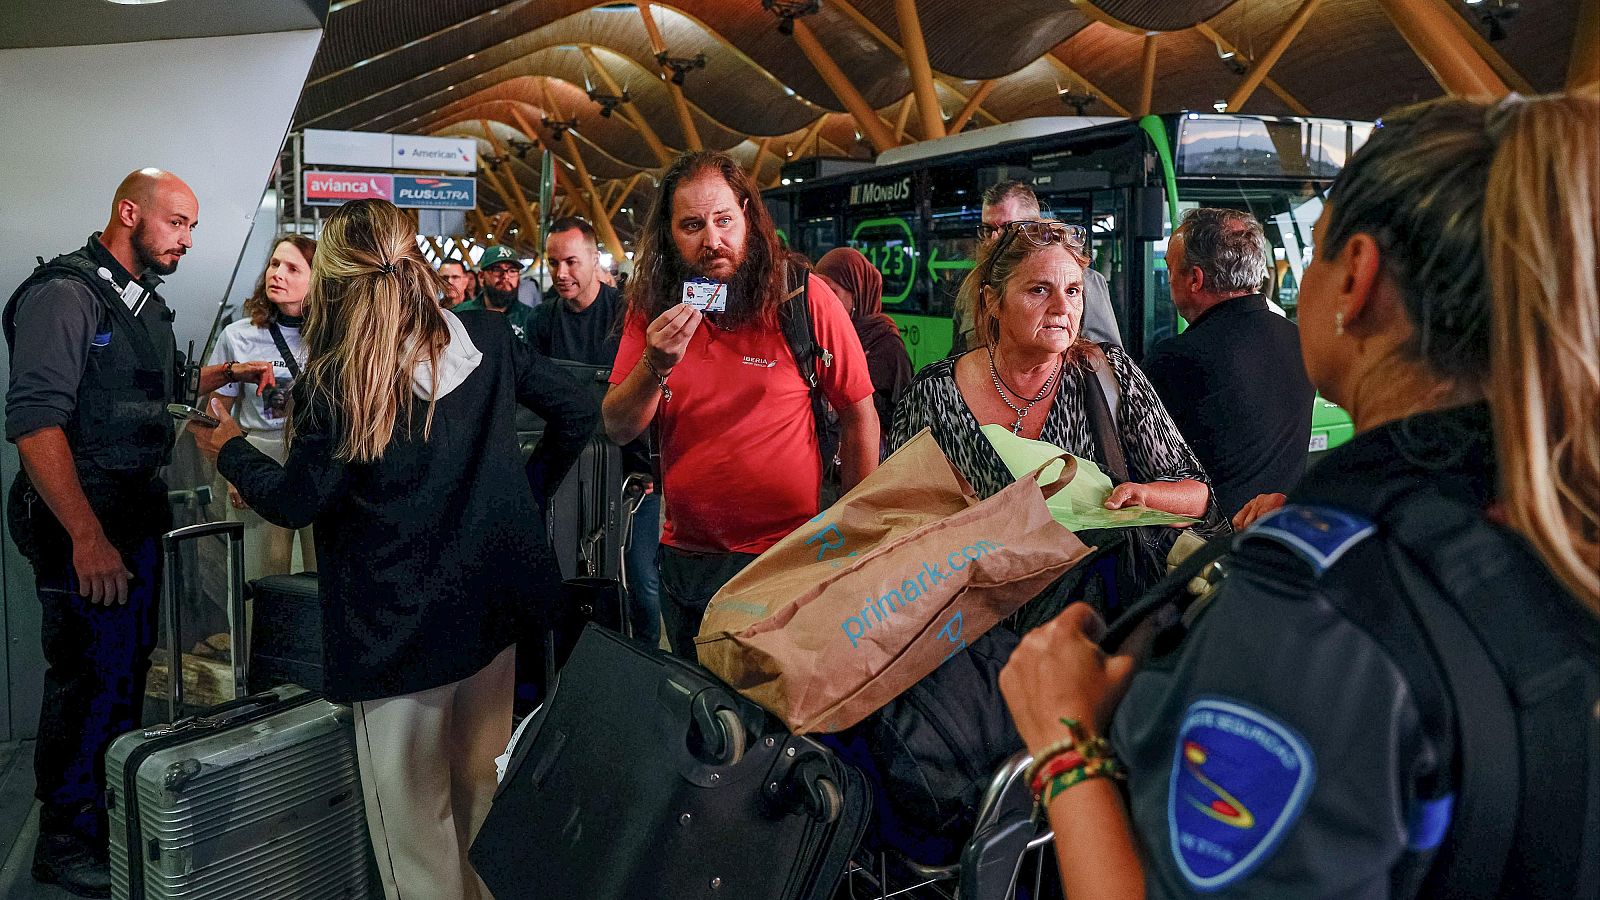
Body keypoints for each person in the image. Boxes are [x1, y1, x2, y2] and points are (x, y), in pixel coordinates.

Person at [999, 91, 1600, 899]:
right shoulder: (1560, 513)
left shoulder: (1315, 607)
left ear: (1356, 277)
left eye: (1311, 256)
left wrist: (1065, 741)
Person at [190, 199, 597, 900]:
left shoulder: (341, 378)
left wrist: (227, 450)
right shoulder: (489, 341)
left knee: (413, 836)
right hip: (492, 614)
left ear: (334, 277)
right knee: (480, 797)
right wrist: (523, 498)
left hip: (397, 631)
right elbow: (579, 411)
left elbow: (296, 501)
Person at [3, 168, 276, 897]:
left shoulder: (136, 303)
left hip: (127, 521)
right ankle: (62, 842)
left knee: (120, 680)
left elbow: (144, 399)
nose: (189, 239)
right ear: (130, 213)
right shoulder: (65, 296)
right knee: (88, 682)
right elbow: (35, 426)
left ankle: (99, 822)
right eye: (179, 223)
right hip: (84, 530)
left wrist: (226, 377)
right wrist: (88, 539)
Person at [602, 150, 879, 658]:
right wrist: (655, 364)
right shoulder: (654, 309)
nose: (713, 241)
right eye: (692, 226)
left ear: (747, 216)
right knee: (702, 717)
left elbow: (860, 412)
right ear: (669, 234)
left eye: (724, 219)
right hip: (690, 560)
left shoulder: (803, 298)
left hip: (790, 557)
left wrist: (852, 533)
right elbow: (618, 425)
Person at [893, 218, 1226, 614]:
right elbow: (897, 519)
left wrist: (1143, 495)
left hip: (1089, 621)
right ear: (992, 301)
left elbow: (1199, 496)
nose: (1062, 308)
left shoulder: (1108, 376)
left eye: (1073, 291)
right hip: (970, 628)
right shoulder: (934, 395)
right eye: (1039, 290)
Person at [530, 216, 662, 647]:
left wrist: (648, 471)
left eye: (570, 261)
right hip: (568, 475)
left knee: (640, 582)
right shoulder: (542, 321)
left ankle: (646, 662)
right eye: (553, 264)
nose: (561, 274)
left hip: (631, 478)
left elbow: (649, 393)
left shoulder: (627, 316)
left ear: (593, 257)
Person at [1139, 208, 1314, 518]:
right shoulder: (1300, 340)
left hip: (1203, 548)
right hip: (1279, 533)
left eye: (1169, 269)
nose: (1168, 282)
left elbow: (1146, 467)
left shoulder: (1176, 358)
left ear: (1195, 279)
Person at [207, 235, 319, 586]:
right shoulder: (239, 335)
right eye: (274, 264)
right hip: (259, 452)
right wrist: (233, 473)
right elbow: (215, 415)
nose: (278, 274)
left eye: (292, 268)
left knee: (321, 577)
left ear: (318, 279)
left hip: (317, 458)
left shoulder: (334, 335)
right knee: (257, 578)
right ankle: (254, 643)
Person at [953, 180, 1122, 354]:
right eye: (988, 229)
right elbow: (960, 356)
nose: (994, 239)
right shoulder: (972, 287)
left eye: (1007, 228)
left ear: (1036, 225)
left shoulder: (1084, 281)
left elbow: (1107, 359)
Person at [814, 247, 914, 455]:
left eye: (832, 292)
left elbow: (905, 417)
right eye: (819, 292)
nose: (824, 302)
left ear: (857, 293)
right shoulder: (818, 337)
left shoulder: (887, 346)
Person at [454, 244, 535, 342]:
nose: (505, 276)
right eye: (497, 270)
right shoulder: (461, 314)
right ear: (481, 277)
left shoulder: (530, 318)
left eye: (512, 271)